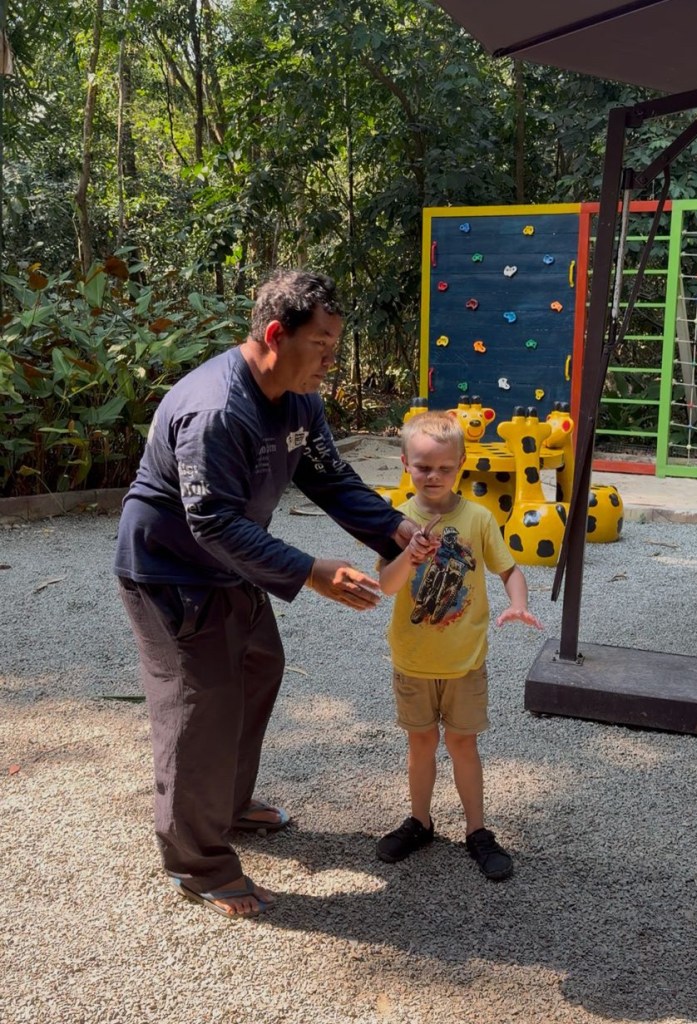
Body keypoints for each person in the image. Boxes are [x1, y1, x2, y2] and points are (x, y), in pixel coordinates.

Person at [114, 269, 414, 919]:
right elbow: (212, 520)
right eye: (323, 348)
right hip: (170, 572)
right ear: (276, 335)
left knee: (257, 669)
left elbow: (333, 481)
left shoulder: (299, 399)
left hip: (232, 565)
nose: (331, 364)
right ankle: (197, 862)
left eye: (336, 349)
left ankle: (224, 806)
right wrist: (313, 570)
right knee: (201, 706)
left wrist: (398, 533)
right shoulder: (219, 409)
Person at [376, 411, 543, 881]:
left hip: (465, 661)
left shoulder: (478, 519)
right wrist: (408, 556)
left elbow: (509, 569)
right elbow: (386, 587)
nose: (433, 476)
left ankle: (477, 830)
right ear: (405, 463)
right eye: (423, 466)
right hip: (413, 659)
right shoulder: (396, 521)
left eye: (444, 468)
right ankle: (420, 821)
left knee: (463, 744)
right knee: (421, 743)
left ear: (461, 465)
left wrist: (518, 603)